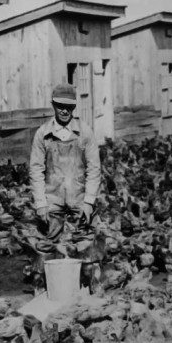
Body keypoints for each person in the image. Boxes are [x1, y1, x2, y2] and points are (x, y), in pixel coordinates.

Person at [29, 84, 102, 287]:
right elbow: (36, 170)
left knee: (86, 239)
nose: (64, 111)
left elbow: (94, 169)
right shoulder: (43, 134)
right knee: (45, 242)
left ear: (74, 108)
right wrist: (41, 202)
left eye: (68, 107)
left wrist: (89, 201)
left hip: (79, 195)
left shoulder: (84, 133)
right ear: (53, 105)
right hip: (52, 195)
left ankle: (90, 284)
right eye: (60, 106)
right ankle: (42, 286)